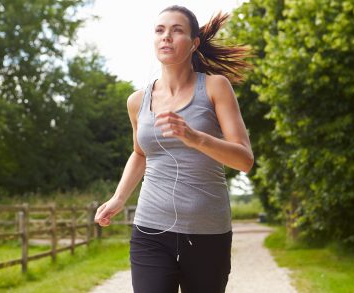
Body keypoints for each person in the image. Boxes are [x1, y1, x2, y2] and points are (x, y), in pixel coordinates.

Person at [94, 5, 254, 293]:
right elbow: (140, 153)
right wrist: (119, 198)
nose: (166, 36)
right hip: (150, 229)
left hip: (208, 232)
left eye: (176, 30)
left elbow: (244, 160)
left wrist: (195, 137)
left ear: (193, 43)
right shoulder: (137, 101)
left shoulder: (216, 87)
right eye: (160, 30)